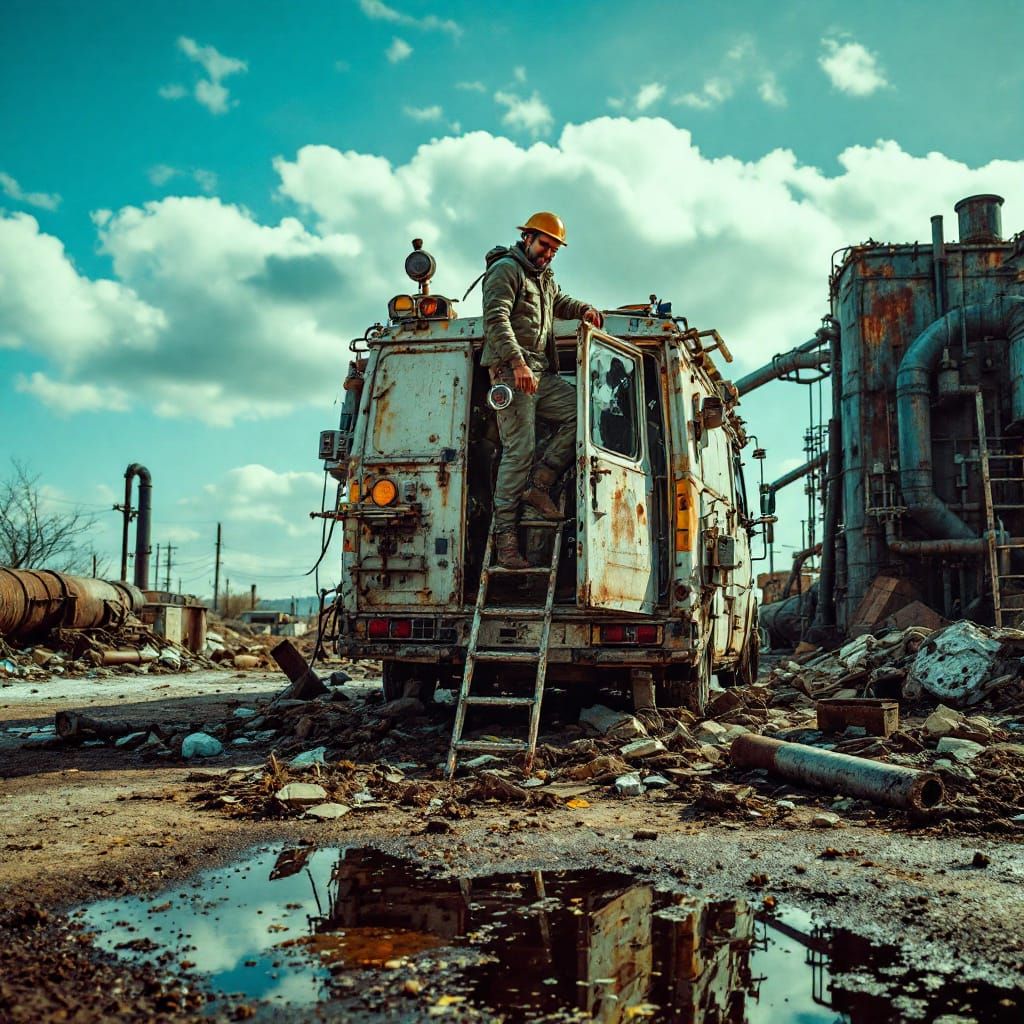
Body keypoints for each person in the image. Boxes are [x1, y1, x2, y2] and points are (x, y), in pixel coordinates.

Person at [480, 212, 603, 569]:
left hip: (538, 372)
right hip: (511, 370)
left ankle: (540, 483)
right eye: (544, 245)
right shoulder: (506, 269)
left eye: (554, 249)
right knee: (518, 450)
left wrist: (584, 309)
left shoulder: (544, 278)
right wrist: (516, 363)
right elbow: (496, 319)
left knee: (581, 416)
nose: (548, 253)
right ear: (528, 238)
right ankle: (505, 541)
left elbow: (559, 302)